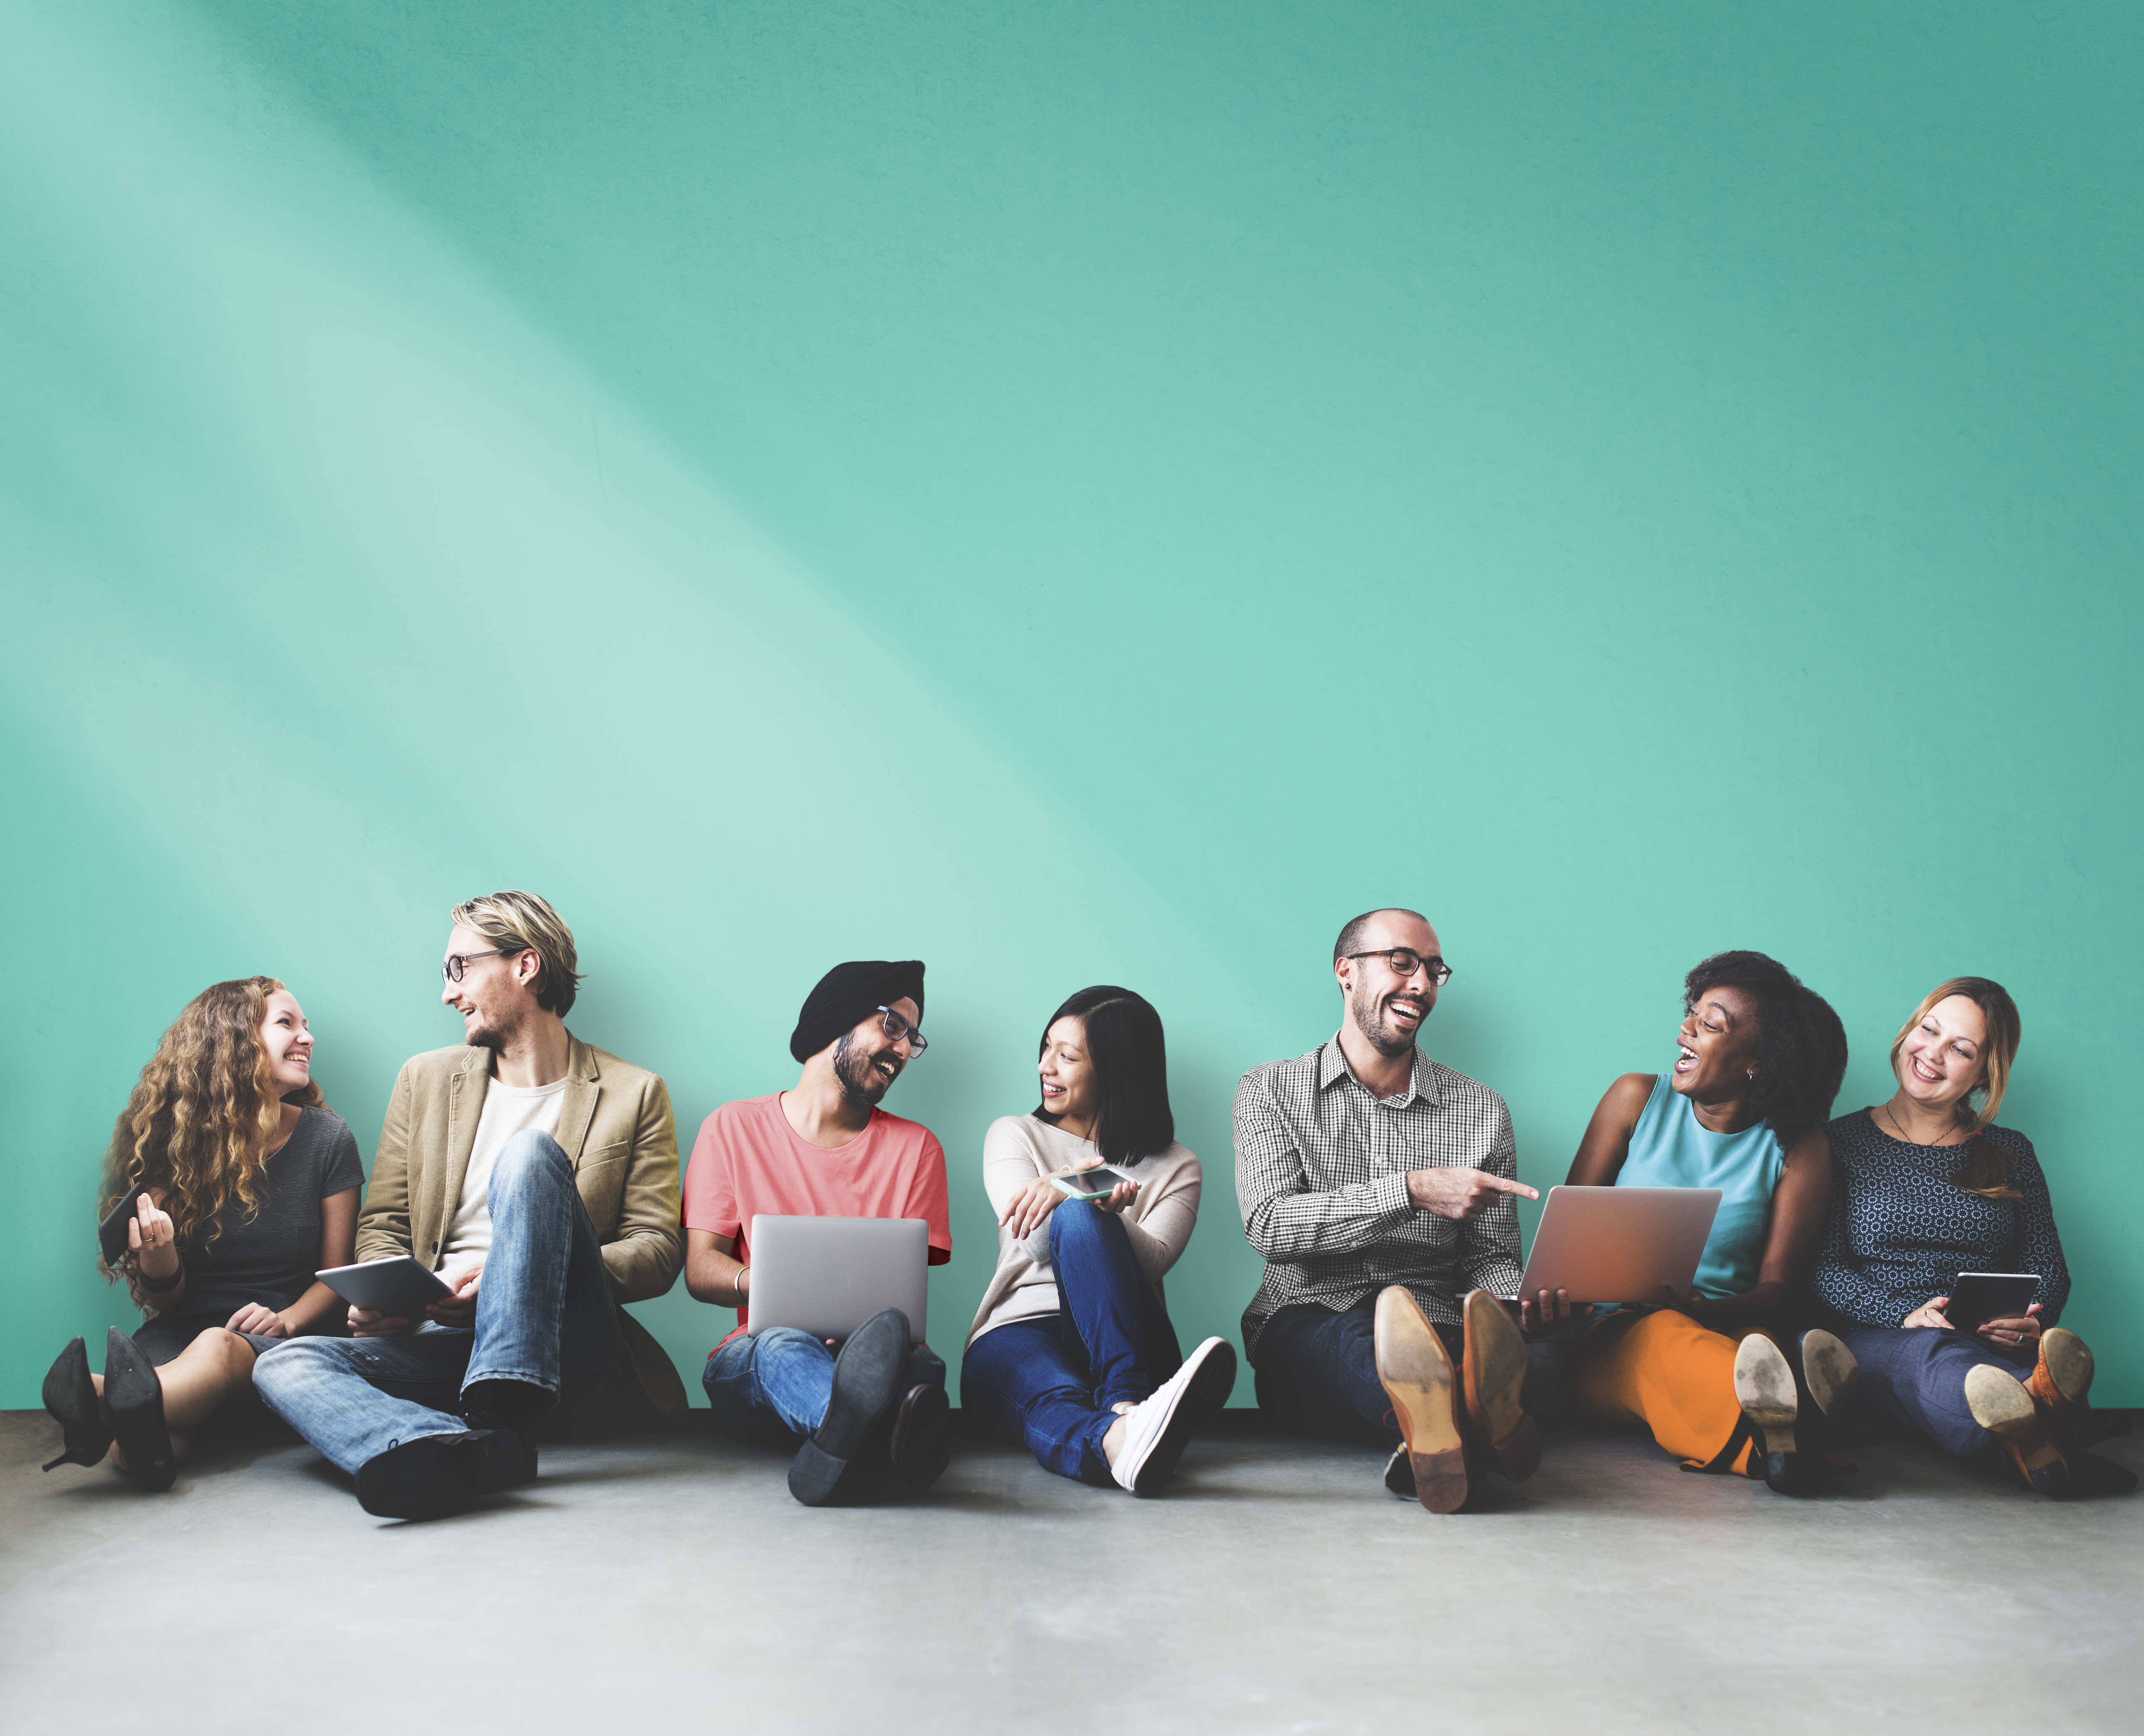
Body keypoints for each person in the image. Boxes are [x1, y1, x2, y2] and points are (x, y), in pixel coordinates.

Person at [253, 890, 685, 1520]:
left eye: (459, 968)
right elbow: (383, 1226)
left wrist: (516, 1277)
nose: (448, 993)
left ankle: (501, 1395)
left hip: (571, 1344)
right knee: (284, 1366)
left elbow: (657, 1249)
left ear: (525, 966)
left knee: (530, 1156)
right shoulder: (424, 1079)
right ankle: (457, 1444)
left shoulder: (634, 1093)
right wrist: (389, 1299)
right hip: (446, 1339)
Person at [1237, 907, 1563, 1514]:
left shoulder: (1482, 1110)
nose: (1421, 984)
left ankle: (1435, 1440)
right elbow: (1269, 1225)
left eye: (1434, 971)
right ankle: (1469, 1419)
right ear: (1345, 972)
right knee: (1358, 1336)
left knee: (1463, 1346)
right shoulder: (1268, 1091)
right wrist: (1408, 1191)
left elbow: (1490, 1257)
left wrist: (1515, 1305)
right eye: (1402, 962)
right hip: (1308, 1325)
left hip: (1439, 1320)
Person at [40, 977, 362, 1491]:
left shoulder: (329, 1139)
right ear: (236, 1043)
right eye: (287, 1023)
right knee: (141, 1439)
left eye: (306, 1025)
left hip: (285, 1341)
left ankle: (95, 1397)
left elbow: (339, 1276)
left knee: (217, 1345)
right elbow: (167, 1303)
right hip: (179, 1337)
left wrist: (284, 1319)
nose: (307, 1037)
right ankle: (136, 1420)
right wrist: (159, 1253)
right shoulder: (175, 1150)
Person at [1813, 977, 2126, 1498]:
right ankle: (2038, 1426)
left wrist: (2033, 1320)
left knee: (2016, 1358)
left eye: (1959, 1049)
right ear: (1906, 1031)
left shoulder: (2009, 1151)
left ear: (1984, 1073)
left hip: (1986, 1340)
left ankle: (2029, 1422)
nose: (1931, 1054)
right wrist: (1903, 1314)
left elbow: (2048, 1267)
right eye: (1927, 1030)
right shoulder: (1837, 1142)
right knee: (1929, 1355)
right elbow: (1822, 1268)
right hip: (1878, 1338)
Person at [1564, 952, 1853, 1494]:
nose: (1685, 1030)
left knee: (1748, 1349)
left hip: (1731, 1322)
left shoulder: (1798, 1145)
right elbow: (1566, 1239)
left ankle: (1783, 1430)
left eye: (1710, 1024)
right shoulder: (1633, 1099)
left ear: (1758, 1062)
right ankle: (1799, 1425)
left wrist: (1703, 1309)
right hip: (1615, 1329)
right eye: (1691, 1012)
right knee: (1669, 1341)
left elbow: (1778, 1287)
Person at [683, 960, 953, 1505]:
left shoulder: (917, 1149)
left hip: (872, 1357)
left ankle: (843, 1447)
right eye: (893, 1027)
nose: (903, 1050)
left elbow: (903, 1295)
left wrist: (862, 1338)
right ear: (837, 1020)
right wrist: (774, 1288)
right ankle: (883, 1437)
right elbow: (700, 1269)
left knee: (914, 1361)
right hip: (758, 1361)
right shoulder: (731, 1127)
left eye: (912, 1038)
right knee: (783, 1344)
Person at [962, 987, 1235, 1496]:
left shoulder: (1178, 1165)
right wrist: (1076, 1181)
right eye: (1045, 1048)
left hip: (1124, 1334)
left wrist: (1094, 1194)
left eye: (1066, 1057)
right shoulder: (1014, 1134)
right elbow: (1036, 1241)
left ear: (1117, 1070)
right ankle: (1123, 1435)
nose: (1046, 1066)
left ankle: (1123, 1403)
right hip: (1021, 1330)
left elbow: (1152, 1262)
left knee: (1085, 1219)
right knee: (1054, 1398)